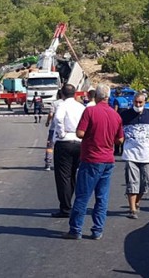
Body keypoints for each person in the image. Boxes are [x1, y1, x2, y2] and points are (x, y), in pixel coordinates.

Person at [64, 84, 123, 240]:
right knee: (102, 198)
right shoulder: (115, 115)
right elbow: (120, 139)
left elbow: (80, 133)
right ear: (108, 97)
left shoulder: (90, 111)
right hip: (108, 160)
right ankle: (97, 229)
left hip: (91, 158)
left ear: (96, 96)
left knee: (83, 196)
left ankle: (75, 229)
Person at [120, 92, 149, 219]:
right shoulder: (125, 115)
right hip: (130, 154)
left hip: (147, 154)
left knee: (145, 182)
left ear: (145, 103)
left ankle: (137, 200)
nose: (138, 104)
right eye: (136, 102)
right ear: (132, 102)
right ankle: (132, 209)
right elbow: (117, 127)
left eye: (140, 102)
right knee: (132, 182)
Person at [51, 84, 85, 218]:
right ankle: (72, 204)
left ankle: (65, 208)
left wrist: (61, 133)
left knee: (63, 176)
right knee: (72, 175)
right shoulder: (81, 107)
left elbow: (58, 118)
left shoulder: (62, 105)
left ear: (62, 94)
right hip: (79, 142)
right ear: (75, 93)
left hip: (65, 142)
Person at [43, 90, 62, 170]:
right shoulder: (70, 104)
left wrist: (48, 122)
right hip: (65, 129)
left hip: (54, 128)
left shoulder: (55, 103)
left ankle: (48, 163)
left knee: (50, 146)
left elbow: (51, 114)